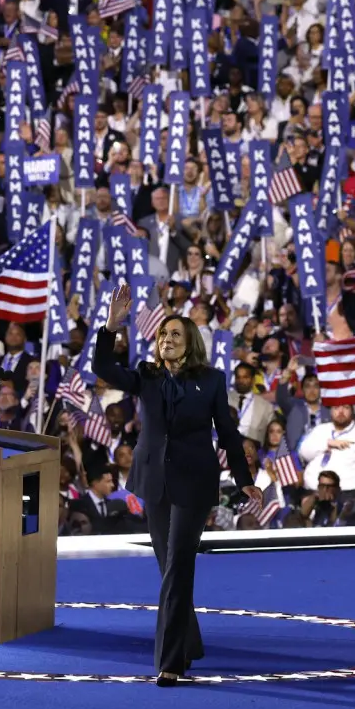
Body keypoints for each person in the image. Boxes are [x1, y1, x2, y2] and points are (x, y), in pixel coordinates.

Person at [93, 283, 260, 686]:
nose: (166, 340)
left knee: (178, 568)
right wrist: (112, 326)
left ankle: (170, 662)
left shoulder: (212, 381)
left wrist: (243, 479)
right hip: (154, 483)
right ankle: (191, 643)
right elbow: (103, 369)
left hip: (194, 484)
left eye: (175, 335)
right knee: (168, 567)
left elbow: (229, 434)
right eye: (163, 334)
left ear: (189, 345)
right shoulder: (147, 377)